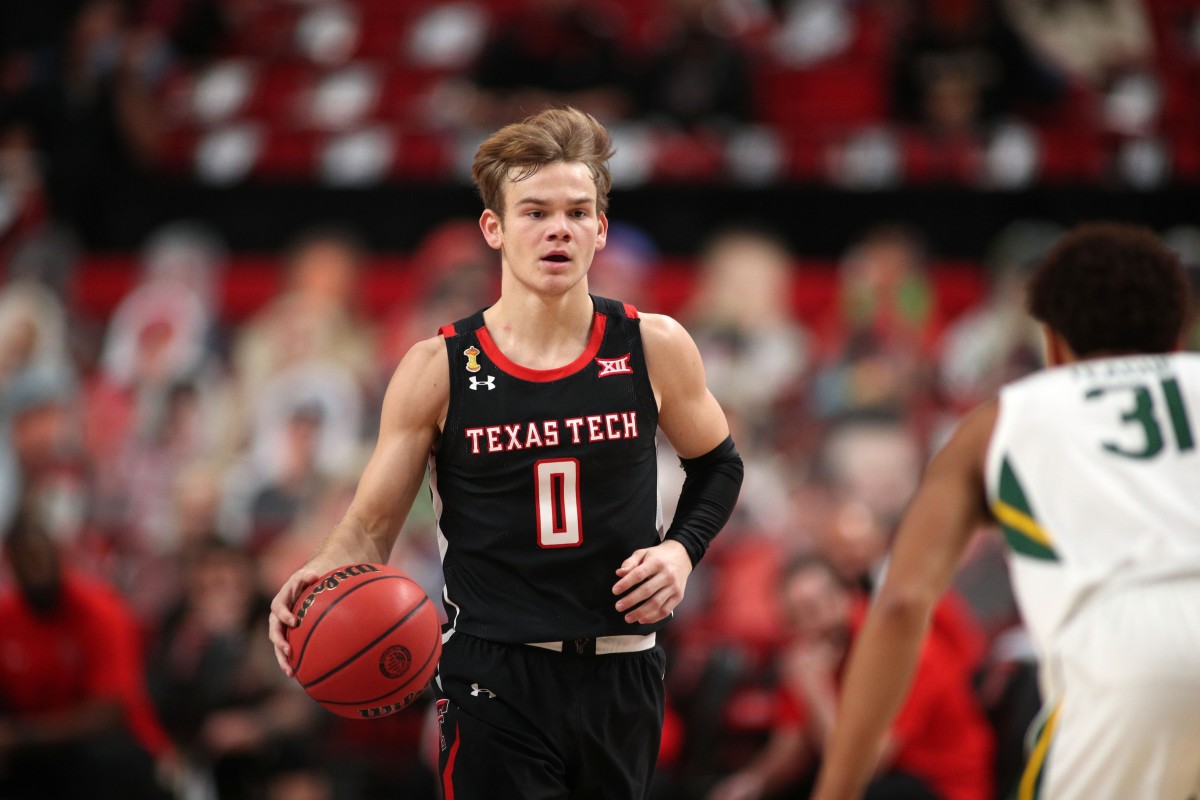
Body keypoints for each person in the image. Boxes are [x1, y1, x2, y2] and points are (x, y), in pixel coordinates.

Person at [267, 106, 744, 800]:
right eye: (535, 211)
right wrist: (318, 571)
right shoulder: (438, 366)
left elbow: (718, 466)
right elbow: (370, 527)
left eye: (579, 212)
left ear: (600, 230)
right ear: (494, 228)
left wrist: (681, 551)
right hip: (495, 678)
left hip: (623, 671)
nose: (559, 228)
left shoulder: (653, 344)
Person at [812, 222, 1200, 800]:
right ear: (1179, 340)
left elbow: (901, 603)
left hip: (1122, 662)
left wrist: (836, 790)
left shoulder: (1007, 418)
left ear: (1052, 344)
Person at [707, 555, 993, 800]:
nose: (809, 625)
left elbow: (867, 763)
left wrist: (814, 691)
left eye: (815, 608)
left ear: (846, 596)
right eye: (794, 618)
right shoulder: (810, 651)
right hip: (879, 775)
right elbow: (792, 745)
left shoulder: (901, 650)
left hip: (940, 785)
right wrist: (751, 784)